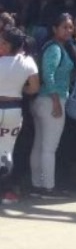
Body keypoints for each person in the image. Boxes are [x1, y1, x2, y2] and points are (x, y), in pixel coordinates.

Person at [29, 12, 76, 198]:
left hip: (42, 100)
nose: (68, 31)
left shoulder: (55, 47)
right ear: (54, 29)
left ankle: (37, 185)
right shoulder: (55, 49)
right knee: (49, 148)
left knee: (40, 145)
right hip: (51, 100)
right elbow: (49, 75)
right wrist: (56, 101)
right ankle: (48, 187)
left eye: (70, 27)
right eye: (64, 27)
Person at [0, 28, 40, 202]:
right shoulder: (28, 61)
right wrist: (21, 89)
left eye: (2, 42)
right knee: (7, 151)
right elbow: (34, 88)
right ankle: (7, 191)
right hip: (14, 108)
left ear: (9, 45)